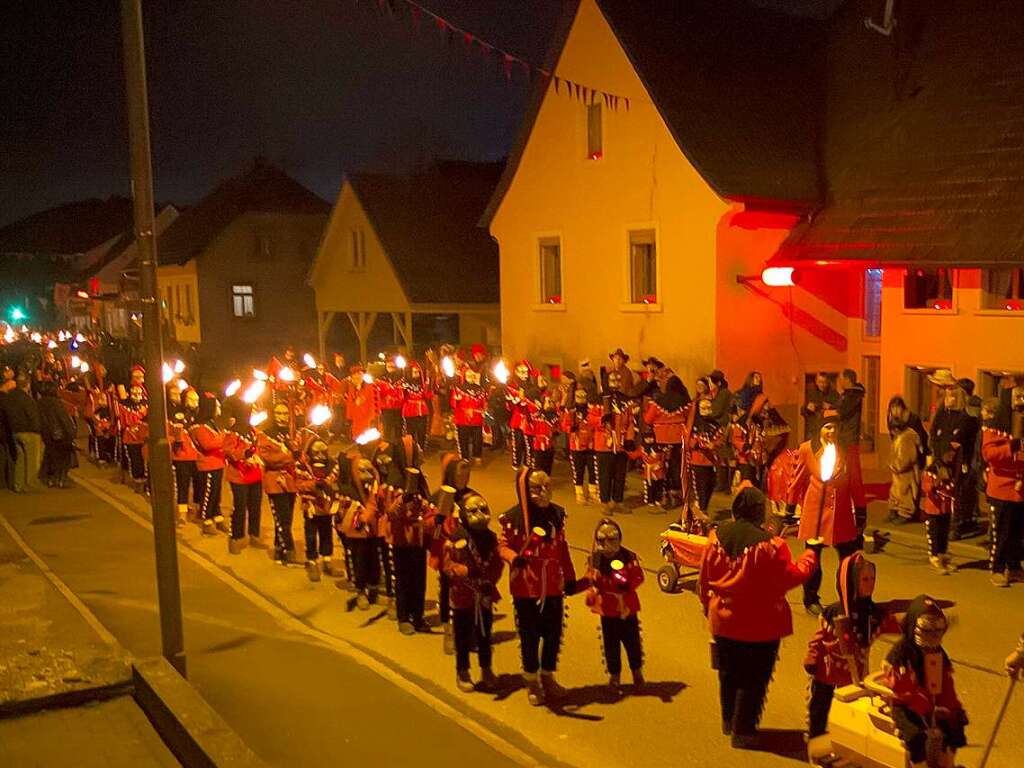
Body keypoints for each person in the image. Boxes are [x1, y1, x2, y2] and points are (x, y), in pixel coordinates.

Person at [699, 486, 818, 748]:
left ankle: (729, 720)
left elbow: (704, 580)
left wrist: (707, 607)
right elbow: (788, 577)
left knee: (728, 674)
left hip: (722, 618)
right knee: (753, 678)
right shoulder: (770, 546)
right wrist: (811, 555)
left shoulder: (715, 537)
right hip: (759, 624)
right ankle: (743, 730)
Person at [803, 553, 903, 741]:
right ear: (851, 582)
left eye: (873, 578)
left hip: (854, 673)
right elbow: (818, 638)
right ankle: (815, 736)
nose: (870, 583)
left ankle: (844, 738)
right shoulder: (834, 611)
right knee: (820, 704)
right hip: (828, 670)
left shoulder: (874, 613)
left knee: (849, 708)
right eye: (865, 579)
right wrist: (812, 655)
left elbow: (895, 625)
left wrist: (920, 623)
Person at [499, 468, 577, 706]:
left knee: (553, 635)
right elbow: (502, 546)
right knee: (529, 637)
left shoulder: (556, 516)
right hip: (526, 587)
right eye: (536, 488)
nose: (544, 493)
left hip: (552, 586)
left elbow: (562, 548)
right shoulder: (513, 519)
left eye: (547, 487)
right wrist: (514, 558)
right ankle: (532, 680)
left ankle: (548, 675)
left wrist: (570, 576)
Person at [788, 412, 861, 614]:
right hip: (816, 511)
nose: (832, 431)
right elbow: (797, 480)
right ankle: (810, 598)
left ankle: (848, 598)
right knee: (813, 558)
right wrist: (789, 507)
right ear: (820, 428)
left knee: (848, 559)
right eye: (828, 427)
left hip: (842, 513)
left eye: (835, 427)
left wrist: (861, 510)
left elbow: (856, 481)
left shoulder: (849, 450)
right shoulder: (806, 449)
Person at [882, 596, 967, 768]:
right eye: (928, 629)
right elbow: (902, 688)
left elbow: (946, 685)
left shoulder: (938, 653)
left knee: (953, 728)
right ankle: (919, 764)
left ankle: (947, 763)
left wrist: (953, 708)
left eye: (938, 629)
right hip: (906, 706)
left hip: (932, 703)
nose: (933, 636)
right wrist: (927, 706)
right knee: (916, 736)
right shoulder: (903, 653)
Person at [444, 491, 503, 692]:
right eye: (473, 510)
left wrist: (490, 581)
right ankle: (463, 671)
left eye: (483, 509)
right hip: (462, 596)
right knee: (462, 636)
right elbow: (448, 564)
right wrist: (465, 570)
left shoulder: (490, 538)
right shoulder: (456, 538)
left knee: (485, 635)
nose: (480, 514)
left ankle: (486, 669)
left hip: (484, 594)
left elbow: (496, 564)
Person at [580, 518, 645, 693]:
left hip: (627, 608)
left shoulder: (628, 556)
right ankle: (614, 675)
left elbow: (639, 576)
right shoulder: (595, 559)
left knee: (632, 641)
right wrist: (590, 588)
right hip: (607, 609)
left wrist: (627, 584)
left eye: (612, 540)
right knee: (611, 643)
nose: (607, 545)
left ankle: (637, 671)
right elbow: (590, 578)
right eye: (602, 540)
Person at [430, 453, 477, 654]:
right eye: (460, 474)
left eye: (467, 475)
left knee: (469, 591)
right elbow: (430, 524)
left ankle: (468, 632)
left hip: (468, 553)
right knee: (448, 590)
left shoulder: (472, 496)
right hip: (447, 552)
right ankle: (449, 632)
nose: (463, 478)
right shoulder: (440, 496)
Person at [981, 385, 1024, 587]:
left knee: (1018, 532)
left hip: (1021, 486)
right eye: (1017, 397)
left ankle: (1014, 567)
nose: (1020, 401)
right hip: (1002, 487)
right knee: (1002, 532)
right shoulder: (995, 427)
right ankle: (997, 568)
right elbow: (990, 455)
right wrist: (1011, 448)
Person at [928, 372, 980, 540]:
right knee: (944, 491)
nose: (948, 396)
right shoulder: (943, 411)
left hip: (960, 460)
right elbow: (935, 433)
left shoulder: (967, 415)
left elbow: (960, 438)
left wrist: (949, 456)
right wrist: (937, 455)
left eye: (951, 392)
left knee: (959, 491)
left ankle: (958, 524)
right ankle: (946, 521)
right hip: (942, 458)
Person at [385, 467, 431, 634]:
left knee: (419, 582)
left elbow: (429, 511)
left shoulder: (420, 496)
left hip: (418, 543)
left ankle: (418, 616)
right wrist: (403, 499)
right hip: (401, 542)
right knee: (403, 581)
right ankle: (403, 617)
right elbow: (390, 513)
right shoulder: (395, 491)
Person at [256, 403, 301, 564]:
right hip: (274, 482)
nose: (281, 416)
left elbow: (302, 457)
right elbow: (268, 458)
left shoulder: (293, 434)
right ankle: (288, 549)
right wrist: (290, 457)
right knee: (281, 517)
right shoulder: (265, 435)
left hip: (291, 481)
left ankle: (278, 548)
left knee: (286, 518)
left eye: (284, 413)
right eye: (278, 413)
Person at [643, 375, 690, 509]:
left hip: (661, 438)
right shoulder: (685, 403)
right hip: (678, 438)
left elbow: (648, 419)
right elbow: (688, 419)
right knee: (676, 466)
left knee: (661, 466)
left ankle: (662, 495)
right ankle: (675, 493)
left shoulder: (658, 402)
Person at [222, 401, 263, 555]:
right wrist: (244, 454)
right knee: (239, 507)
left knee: (255, 505)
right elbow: (229, 451)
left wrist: (257, 455)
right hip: (239, 475)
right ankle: (236, 537)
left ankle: (254, 534)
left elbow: (259, 447)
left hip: (254, 473)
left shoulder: (253, 431)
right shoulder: (232, 433)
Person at [593, 369, 635, 513]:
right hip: (604, 443)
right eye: (612, 380)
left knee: (620, 474)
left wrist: (630, 439)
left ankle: (617, 500)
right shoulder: (598, 400)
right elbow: (590, 419)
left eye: (618, 380)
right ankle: (605, 502)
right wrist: (601, 420)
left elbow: (630, 421)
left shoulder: (626, 400)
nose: (616, 383)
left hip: (621, 443)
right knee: (605, 474)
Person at [190, 393, 228, 536]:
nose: (218, 408)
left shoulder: (211, 423)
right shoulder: (199, 427)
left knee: (216, 494)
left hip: (217, 463)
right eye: (216, 406)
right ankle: (206, 520)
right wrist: (224, 436)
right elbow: (208, 445)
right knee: (208, 494)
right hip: (207, 465)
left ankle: (217, 516)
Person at [836, 369, 867, 532]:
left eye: (841, 378)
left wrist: (830, 412)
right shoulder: (849, 395)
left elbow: (841, 412)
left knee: (854, 479)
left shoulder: (852, 396)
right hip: (844, 441)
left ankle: (860, 518)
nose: (839, 382)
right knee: (845, 479)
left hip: (848, 442)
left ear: (847, 379)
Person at [3, 373, 44, 493]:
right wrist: (38, 430)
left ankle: (18, 484)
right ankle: (30, 485)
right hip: (29, 431)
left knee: (20, 460)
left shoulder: (10, 397)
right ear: (28, 384)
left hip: (15, 431)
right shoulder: (27, 399)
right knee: (32, 461)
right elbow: (33, 416)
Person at [887, 396, 922, 524]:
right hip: (898, 465)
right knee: (896, 489)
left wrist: (897, 464)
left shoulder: (911, 425)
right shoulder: (894, 421)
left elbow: (909, 454)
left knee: (907, 489)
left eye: (896, 408)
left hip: (907, 466)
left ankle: (907, 512)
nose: (894, 410)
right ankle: (895, 508)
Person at [562, 386, 598, 504]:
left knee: (593, 470)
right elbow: (564, 425)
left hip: (590, 445)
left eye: (583, 396)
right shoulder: (572, 412)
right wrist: (571, 428)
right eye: (579, 397)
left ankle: (593, 493)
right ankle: (580, 494)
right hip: (576, 446)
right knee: (579, 471)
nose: (582, 399)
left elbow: (596, 422)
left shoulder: (591, 410)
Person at [170, 388, 200, 526]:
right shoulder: (180, 415)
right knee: (183, 485)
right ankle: (182, 512)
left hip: (196, 456)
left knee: (198, 483)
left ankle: (197, 508)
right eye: (191, 399)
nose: (194, 402)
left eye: (196, 399)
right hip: (183, 456)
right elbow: (178, 433)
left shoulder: (200, 415)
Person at [37, 380, 76, 488]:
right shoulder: (56, 402)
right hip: (59, 434)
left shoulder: (40, 402)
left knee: (51, 455)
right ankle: (61, 479)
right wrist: (71, 433)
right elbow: (64, 419)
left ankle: (50, 478)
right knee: (64, 457)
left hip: (47, 434)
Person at [118, 382, 149, 492]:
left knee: (145, 459)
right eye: (134, 393)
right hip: (131, 437)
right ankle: (137, 480)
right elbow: (127, 420)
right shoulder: (124, 405)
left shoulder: (146, 405)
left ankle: (146, 480)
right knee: (135, 459)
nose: (137, 396)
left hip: (144, 436)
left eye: (139, 394)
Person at [451, 368, 486, 463]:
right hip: (462, 417)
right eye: (468, 375)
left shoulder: (480, 389)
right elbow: (453, 404)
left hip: (476, 417)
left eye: (472, 375)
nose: (471, 377)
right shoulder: (458, 389)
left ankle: (477, 455)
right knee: (463, 438)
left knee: (477, 438)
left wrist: (484, 411)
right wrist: (456, 399)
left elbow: (484, 403)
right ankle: (464, 456)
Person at [708, 370, 733, 492]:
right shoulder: (722, 394)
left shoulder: (723, 394)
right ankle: (723, 483)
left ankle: (723, 484)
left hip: (722, 428)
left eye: (711, 382)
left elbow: (715, 410)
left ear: (717, 383)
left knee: (723, 457)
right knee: (722, 456)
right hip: (721, 427)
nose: (710, 385)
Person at [401, 362, 432, 451]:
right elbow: (401, 397)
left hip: (422, 410)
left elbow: (428, 396)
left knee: (422, 431)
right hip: (409, 410)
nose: (417, 374)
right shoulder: (404, 384)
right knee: (410, 431)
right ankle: (411, 449)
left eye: (418, 372)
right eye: (414, 372)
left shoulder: (423, 384)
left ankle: (421, 448)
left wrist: (429, 385)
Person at [802, 372, 839, 442]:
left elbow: (840, 411)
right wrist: (807, 408)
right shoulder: (811, 394)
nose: (822, 384)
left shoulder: (834, 394)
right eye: (820, 382)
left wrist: (831, 407)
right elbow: (802, 411)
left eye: (824, 382)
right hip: (813, 430)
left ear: (828, 382)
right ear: (816, 382)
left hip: (828, 430)